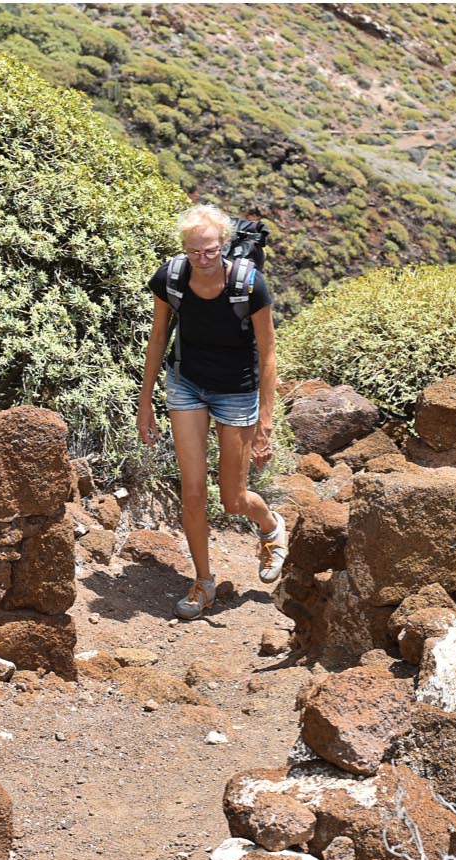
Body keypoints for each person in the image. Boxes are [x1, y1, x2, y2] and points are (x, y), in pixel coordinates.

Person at [136, 204, 288, 619]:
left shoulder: (249, 285)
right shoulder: (170, 278)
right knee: (193, 491)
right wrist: (145, 401)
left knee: (234, 499)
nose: (203, 260)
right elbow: (157, 338)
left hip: (236, 392)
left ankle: (271, 526)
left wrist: (265, 426)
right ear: (184, 248)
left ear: (224, 244)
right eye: (195, 252)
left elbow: (269, 354)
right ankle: (203, 582)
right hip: (186, 384)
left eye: (211, 251)